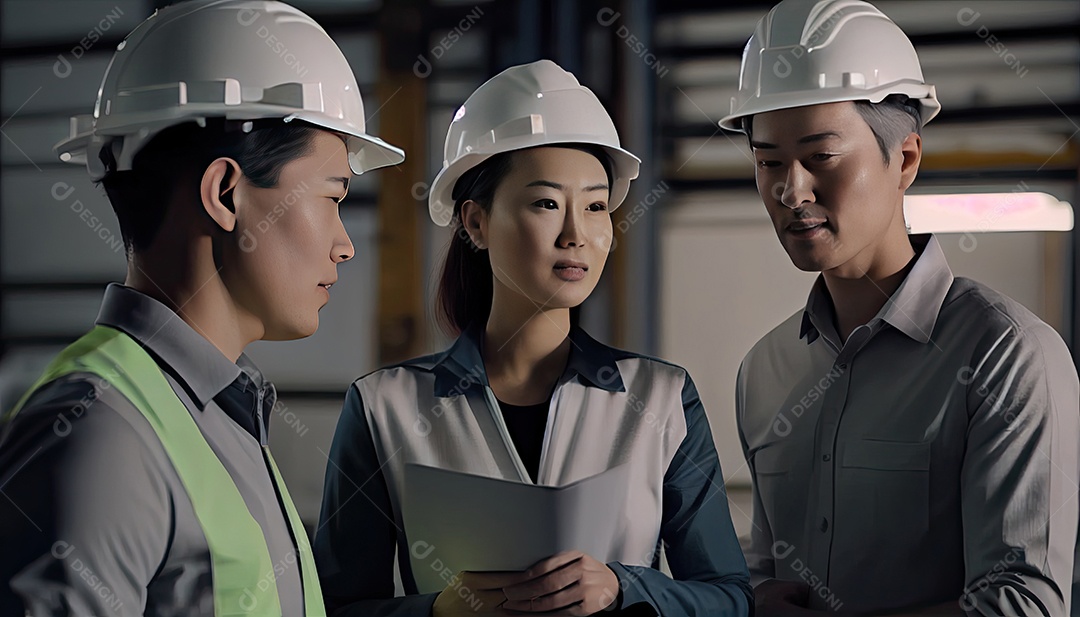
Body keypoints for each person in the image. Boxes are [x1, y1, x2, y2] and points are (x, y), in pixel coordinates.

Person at [0, 1, 404, 614]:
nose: (346, 245)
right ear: (225, 193)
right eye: (332, 196)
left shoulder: (220, 412)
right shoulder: (100, 433)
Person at [315, 59, 752, 616]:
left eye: (595, 206)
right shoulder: (386, 407)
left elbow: (730, 598)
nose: (577, 234)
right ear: (475, 223)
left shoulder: (663, 397)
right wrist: (438, 612)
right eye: (547, 203)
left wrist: (624, 588)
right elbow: (333, 606)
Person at [720, 0, 1080, 615]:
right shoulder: (765, 370)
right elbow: (768, 571)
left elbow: (1022, 603)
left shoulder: (1005, 356)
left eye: (821, 157)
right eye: (767, 162)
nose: (790, 189)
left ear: (905, 159)